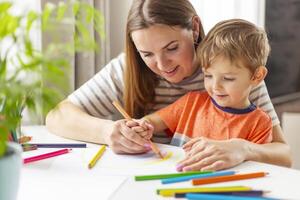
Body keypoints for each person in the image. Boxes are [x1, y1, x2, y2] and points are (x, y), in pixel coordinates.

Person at [45, 0, 291, 167]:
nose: (162, 65)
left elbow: (284, 154)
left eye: (172, 48)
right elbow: (57, 116)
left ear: (194, 29)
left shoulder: (234, 72)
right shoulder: (127, 69)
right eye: (147, 54)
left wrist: (244, 149)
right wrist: (108, 132)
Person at [125, 19, 274, 171]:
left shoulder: (260, 123)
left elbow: (261, 168)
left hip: (219, 187)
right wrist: (143, 126)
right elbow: (152, 121)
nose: (215, 86)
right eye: (208, 76)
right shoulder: (192, 102)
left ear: (257, 76)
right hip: (174, 177)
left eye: (228, 78)